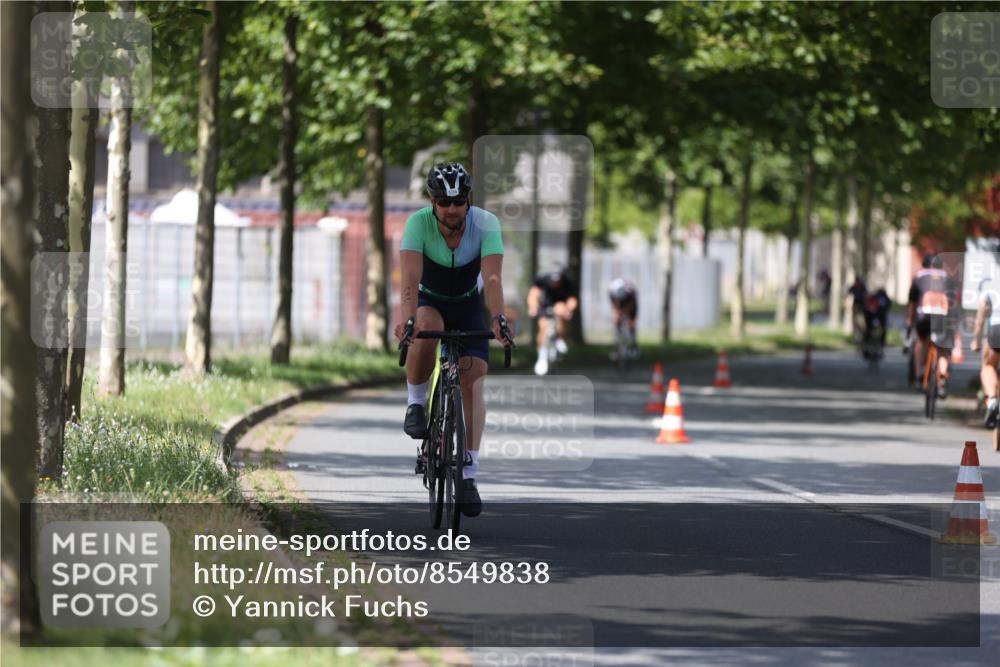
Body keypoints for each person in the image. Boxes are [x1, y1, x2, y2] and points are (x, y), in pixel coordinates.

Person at [394, 162, 512, 517]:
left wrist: (499, 320)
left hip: (467, 306)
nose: (451, 209)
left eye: (458, 201)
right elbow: (409, 281)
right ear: (432, 201)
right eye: (443, 202)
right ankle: (416, 402)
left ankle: (469, 474)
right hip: (429, 301)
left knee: (473, 378)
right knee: (426, 324)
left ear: (468, 200)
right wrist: (408, 319)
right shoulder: (418, 224)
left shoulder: (486, 224)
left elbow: (491, 280)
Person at [907, 254, 956, 398]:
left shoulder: (919, 277)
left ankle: (918, 374)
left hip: (925, 317)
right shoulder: (947, 278)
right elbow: (953, 302)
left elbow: (912, 303)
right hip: (943, 316)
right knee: (942, 349)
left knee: (921, 342)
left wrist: (910, 322)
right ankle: (942, 381)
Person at [527, 266, 578, 376]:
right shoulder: (543, 279)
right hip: (546, 303)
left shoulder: (567, 281)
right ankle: (541, 356)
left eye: (558, 281)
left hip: (561, 303)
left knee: (561, 312)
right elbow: (534, 293)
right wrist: (533, 306)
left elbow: (572, 299)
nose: (556, 284)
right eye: (553, 281)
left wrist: (568, 309)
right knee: (543, 325)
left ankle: (560, 337)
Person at [971, 273, 1000, 428]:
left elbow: (981, 315)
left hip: (997, 328)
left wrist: (976, 340)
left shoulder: (991, 284)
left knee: (988, 366)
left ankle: (993, 399)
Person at [608, 277, 639, 359]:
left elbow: (632, 306)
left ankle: (634, 345)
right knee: (616, 320)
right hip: (618, 301)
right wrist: (617, 315)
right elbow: (614, 306)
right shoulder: (611, 292)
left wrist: (626, 314)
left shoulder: (631, 292)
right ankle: (616, 347)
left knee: (631, 322)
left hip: (630, 302)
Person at [862, 287, 891, 355]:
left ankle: (868, 344)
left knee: (869, 329)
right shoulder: (883, 298)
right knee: (873, 329)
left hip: (874, 315)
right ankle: (879, 344)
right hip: (873, 315)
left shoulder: (877, 297)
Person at [847, 276, 868, 341]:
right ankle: (856, 334)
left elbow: (866, 295)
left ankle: (863, 333)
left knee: (861, 320)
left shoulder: (862, 287)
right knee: (855, 320)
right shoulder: (854, 287)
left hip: (862, 305)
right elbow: (848, 292)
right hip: (856, 304)